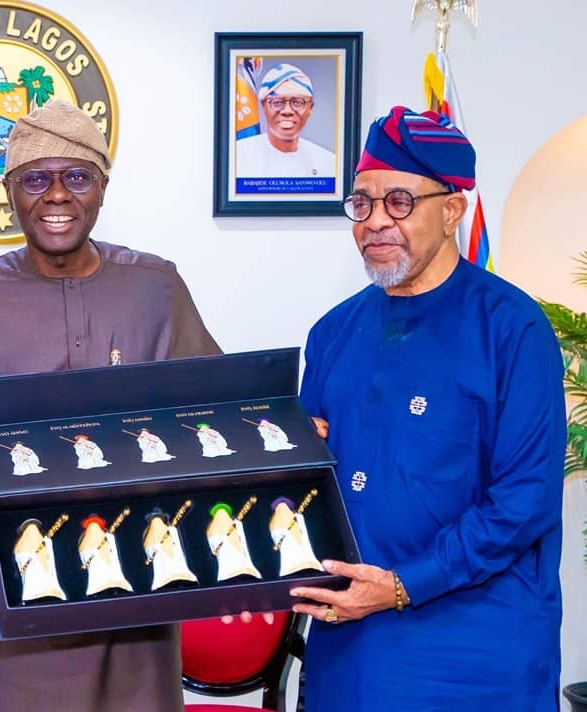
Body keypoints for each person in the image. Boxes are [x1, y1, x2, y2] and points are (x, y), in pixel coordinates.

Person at [0, 98, 220, 712]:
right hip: (20, 578)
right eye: (35, 179)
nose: (57, 196)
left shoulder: (156, 285)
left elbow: (213, 404)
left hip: (142, 574)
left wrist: (288, 426)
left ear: (102, 186)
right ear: (10, 192)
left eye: (76, 176)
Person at [290, 106, 565, 710]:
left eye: (398, 201)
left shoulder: (512, 327)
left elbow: (524, 502)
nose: (375, 222)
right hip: (353, 646)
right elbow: (308, 488)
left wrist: (402, 587)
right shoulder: (333, 333)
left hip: (477, 647)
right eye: (361, 203)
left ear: (452, 209)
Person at [235, 63, 335, 179]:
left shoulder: (329, 163)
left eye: (297, 102)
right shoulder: (237, 157)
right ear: (263, 106)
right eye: (277, 102)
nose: (287, 111)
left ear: (310, 108)